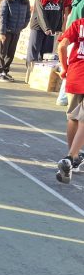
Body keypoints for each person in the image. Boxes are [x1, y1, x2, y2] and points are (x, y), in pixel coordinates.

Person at [55, 17, 84, 183]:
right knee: (83, 121)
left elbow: (61, 46)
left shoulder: (79, 24)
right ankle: (70, 158)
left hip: (75, 73)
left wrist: (65, 69)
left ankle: (73, 157)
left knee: (73, 117)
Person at [29, 0, 71, 65]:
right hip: (39, 27)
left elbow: (60, 14)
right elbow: (40, 14)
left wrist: (58, 28)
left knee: (46, 53)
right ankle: (30, 70)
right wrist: (46, 28)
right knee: (34, 50)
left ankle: (41, 72)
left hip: (51, 29)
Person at [0, 0, 31, 82]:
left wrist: (22, 26)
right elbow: (2, 18)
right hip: (6, 31)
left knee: (11, 53)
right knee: (2, 52)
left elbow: (28, 16)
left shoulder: (25, 2)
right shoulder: (6, 1)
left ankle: (5, 72)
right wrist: (2, 32)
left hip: (16, 31)